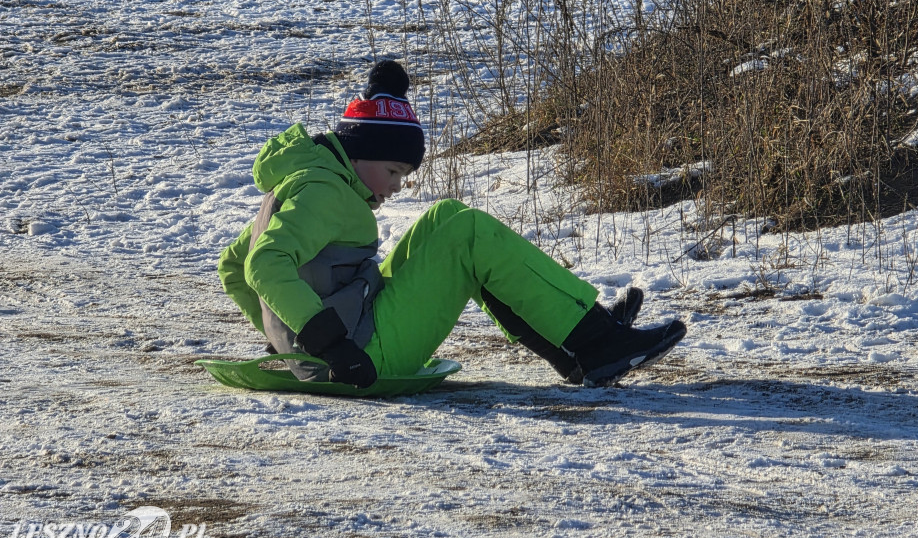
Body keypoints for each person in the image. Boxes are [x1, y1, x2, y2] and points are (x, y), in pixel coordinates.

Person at [218, 60, 686, 389]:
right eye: (394, 171)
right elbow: (266, 264)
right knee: (467, 235)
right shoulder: (324, 192)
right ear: (360, 153)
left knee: (446, 218)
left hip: (346, 346)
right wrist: (327, 344)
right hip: (359, 355)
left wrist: (286, 343)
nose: (397, 186)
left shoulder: (304, 181)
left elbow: (234, 264)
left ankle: (577, 340)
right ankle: (595, 341)